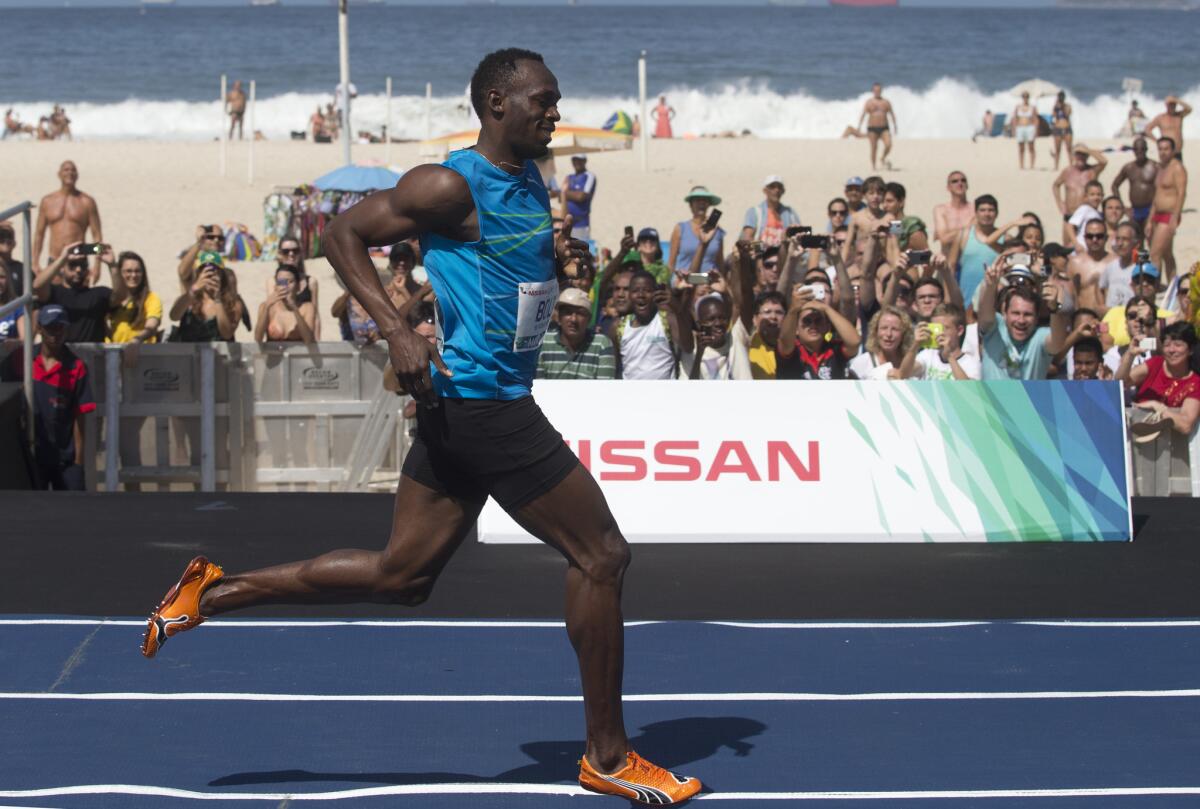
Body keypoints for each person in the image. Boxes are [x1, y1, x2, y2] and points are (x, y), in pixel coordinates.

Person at [139, 48, 701, 806]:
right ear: (496, 103)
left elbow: (496, 279)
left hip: (461, 403)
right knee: (602, 554)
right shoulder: (447, 183)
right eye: (542, 99)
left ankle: (209, 592)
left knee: (401, 576)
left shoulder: (529, 175)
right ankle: (607, 753)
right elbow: (340, 236)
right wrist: (396, 329)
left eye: (557, 99)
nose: (554, 111)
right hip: (484, 404)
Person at [0, 305, 95, 490]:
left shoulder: (77, 366)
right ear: (40, 329)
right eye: (50, 327)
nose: (55, 333)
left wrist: (78, 461)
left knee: (74, 512)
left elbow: (81, 417)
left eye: (60, 327)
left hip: (65, 458)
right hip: (31, 455)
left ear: (66, 330)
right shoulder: (22, 358)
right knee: (33, 512)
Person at [977, 256, 1069, 380]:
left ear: (1037, 318)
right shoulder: (995, 328)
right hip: (989, 400)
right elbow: (985, 314)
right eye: (1015, 313)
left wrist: (1054, 308)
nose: (1021, 320)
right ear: (1004, 312)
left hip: (1029, 400)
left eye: (1027, 314)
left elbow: (1057, 343)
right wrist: (990, 285)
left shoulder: (1040, 338)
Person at [32, 242, 127, 343]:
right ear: (62, 269)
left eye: (83, 265)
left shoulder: (98, 294)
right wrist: (62, 258)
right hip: (61, 356)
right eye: (72, 265)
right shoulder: (54, 292)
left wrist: (112, 264)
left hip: (92, 357)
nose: (78, 269)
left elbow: (120, 296)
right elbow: (37, 286)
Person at [1119, 321, 1200, 437]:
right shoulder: (1155, 364)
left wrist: (1158, 407)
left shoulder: (1196, 383)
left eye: (1178, 345)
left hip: (1170, 447)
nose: (1171, 350)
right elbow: (1120, 383)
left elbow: (1185, 425)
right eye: (1167, 345)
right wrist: (1130, 354)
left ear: (1191, 350)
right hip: (1134, 434)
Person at [32, 162, 103, 280]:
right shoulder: (47, 201)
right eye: (66, 170)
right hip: (55, 259)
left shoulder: (87, 202)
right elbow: (39, 234)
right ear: (59, 174)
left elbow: (97, 237)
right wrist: (35, 262)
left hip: (79, 260)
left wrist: (97, 265)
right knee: (54, 296)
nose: (70, 172)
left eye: (73, 170)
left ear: (77, 175)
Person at [776, 282, 860, 380]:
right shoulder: (792, 351)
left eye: (818, 320)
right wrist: (794, 309)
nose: (813, 325)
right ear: (796, 329)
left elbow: (854, 342)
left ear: (827, 326)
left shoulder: (835, 351)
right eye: (807, 321)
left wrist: (826, 308)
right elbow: (784, 341)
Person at [611, 270, 681, 380]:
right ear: (629, 295)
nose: (641, 295)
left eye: (648, 290)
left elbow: (688, 346)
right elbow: (613, 367)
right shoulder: (618, 326)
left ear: (656, 293)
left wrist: (676, 305)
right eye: (635, 291)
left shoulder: (667, 320)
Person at [537, 287, 615, 380]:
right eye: (568, 312)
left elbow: (605, 388)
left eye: (580, 313)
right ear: (559, 317)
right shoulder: (543, 342)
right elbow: (537, 386)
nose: (573, 319)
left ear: (589, 319)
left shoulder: (602, 344)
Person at [167, 254, 244, 342]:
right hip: (189, 353)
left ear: (222, 275)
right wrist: (194, 290)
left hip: (218, 354)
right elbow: (173, 316)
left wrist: (218, 299)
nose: (210, 275)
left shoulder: (233, 302)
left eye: (215, 270)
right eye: (205, 271)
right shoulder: (189, 299)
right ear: (198, 274)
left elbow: (227, 334)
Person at [947, 194, 1001, 310]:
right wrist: (948, 298)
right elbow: (950, 267)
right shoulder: (963, 235)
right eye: (982, 210)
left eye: (991, 210)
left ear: (996, 213)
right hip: (965, 302)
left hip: (995, 303)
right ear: (976, 213)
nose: (987, 214)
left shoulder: (1005, 239)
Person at [902, 303, 980, 381]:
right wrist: (915, 345)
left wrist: (949, 357)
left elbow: (968, 390)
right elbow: (904, 374)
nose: (939, 333)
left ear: (959, 330)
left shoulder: (971, 362)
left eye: (944, 328)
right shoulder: (928, 355)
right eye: (935, 328)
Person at [1148, 136, 1187, 285]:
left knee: (1155, 253)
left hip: (1169, 215)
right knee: (1166, 254)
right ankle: (1173, 285)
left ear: (1173, 150)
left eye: (1166, 149)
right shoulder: (1161, 168)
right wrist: (1150, 220)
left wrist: (1174, 218)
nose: (1163, 152)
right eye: (1160, 149)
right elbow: (1157, 196)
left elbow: (1181, 193)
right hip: (1157, 215)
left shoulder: (1177, 167)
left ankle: (1153, 286)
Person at [103, 249, 162, 345]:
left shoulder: (151, 298)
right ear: (120, 273)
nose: (133, 275)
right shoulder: (112, 299)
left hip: (142, 352)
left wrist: (136, 340)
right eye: (128, 271)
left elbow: (152, 325)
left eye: (137, 271)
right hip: (114, 352)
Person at [1053, 145, 1108, 244]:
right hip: (1069, 214)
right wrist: (1059, 203)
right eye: (1078, 154)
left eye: (1083, 155)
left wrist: (1088, 150)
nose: (1080, 157)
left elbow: (1104, 162)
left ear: (1087, 156)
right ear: (1073, 156)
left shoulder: (1092, 171)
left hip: (1086, 216)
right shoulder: (1067, 171)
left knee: (1087, 245)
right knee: (1067, 246)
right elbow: (1056, 185)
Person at [667, 186, 724, 276]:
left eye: (705, 200)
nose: (701, 203)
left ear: (709, 204)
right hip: (687, 280)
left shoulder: (717, 231)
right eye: (697, 200)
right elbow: (671, 262)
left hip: (710, 279)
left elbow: (720, 262)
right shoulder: (680, 228)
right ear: (690, 205)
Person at [254, 265, 317, 344]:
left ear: (298, 286)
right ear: (275, 286)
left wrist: (295, 309)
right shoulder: (266, 307)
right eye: (281, 282)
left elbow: (309, 340)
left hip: (298, 355)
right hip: (274, 355)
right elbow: (258, 338)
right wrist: (266, 307)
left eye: (290, 282)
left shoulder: (307, 308)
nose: (285, 286)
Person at [1110, 137, 1158, 239]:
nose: (1139, 152)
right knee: (1136, 241)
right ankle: (1141, 256)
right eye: (1136, 149)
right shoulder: (1129, 168)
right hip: (1134, 210)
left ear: (1146, 149)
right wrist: (1122, 206)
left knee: (1151, 239)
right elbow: (1115, 185)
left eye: (1142, 149)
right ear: (1133, 150)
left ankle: (1150, 255)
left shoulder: (1155, 166)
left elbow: (1162, 188)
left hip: (1150, 209)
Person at [850, 305, 912, 380]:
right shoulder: (861, 363)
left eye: (895, 329)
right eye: (884, 328)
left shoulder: (912, 364)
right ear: (876, 331)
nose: (889, 334)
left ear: (904, 334)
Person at [1069, 218, 1114, 313]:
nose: (1094, 240)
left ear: (1106, 238)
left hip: (1109, 318)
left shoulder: (1115, 262)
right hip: (1083, 318)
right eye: (1090, 236)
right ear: (1084, 238)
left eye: (1099, 236)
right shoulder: (1074, 263)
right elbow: (1072, 295)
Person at [741, 175, 801, 247]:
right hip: (760, 255)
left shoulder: (790, 214)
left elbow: (800, 238)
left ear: (783, 191)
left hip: (784, 255)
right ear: (765, 190)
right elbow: (748, 238)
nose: (776, 190)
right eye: (772, 187)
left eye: (779, 187)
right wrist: (761, 252)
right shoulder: (755, 212)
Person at [856, 82, 896, 170]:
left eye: (879, 90)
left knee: (889, 144)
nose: (877, 92)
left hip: (884, 128)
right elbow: (863, 114)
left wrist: (895, 126)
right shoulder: (869, 102)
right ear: (873, 91)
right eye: (875, 90)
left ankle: (882, 158)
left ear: (881, 91)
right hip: (872, 128)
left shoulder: (886, 102)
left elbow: (892, 114)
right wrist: (859, 126)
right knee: (874, 147)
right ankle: (873, 167)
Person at [1099, 223, 1139, 311]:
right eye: (1118, 239)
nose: (1120, 243)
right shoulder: (1110, 267)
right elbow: (1100, 287)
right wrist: (1102, 306)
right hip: (1112, 319)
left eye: (1125, 239)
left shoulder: (1140, 270)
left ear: (1136, 244)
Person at [932, 171, 973, 259]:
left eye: (963, 180)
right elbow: (944, 239)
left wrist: (952, 234)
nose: (960, 183)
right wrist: (969, 228)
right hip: (948, 261)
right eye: (955, 181)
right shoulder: (941, 210)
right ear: (948, 187)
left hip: (970, 258)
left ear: (967, 185)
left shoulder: (975, 209)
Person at [562, 154, 596, 244]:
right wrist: (569, 194)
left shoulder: (589, 176)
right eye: (574, 160)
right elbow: (559, 197)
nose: (577, 162)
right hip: (567, 222)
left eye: (579, 160)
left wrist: (565, 192)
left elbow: (581, 197)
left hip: (581, 223)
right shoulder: (569, 177)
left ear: (585, 161)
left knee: (580, 251)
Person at [1012, 91, 1039, 170]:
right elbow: (1015, 118)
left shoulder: (1032, 107)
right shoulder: (1018, 107)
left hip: (1029, 127)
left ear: (1028, 98)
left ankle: (1032, 165)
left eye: (1027, 96)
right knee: (1021, 147)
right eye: (1024, 96)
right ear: (1022, 98)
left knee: (1031, 147)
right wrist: (1014, 129)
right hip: (1020, 127)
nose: (1025, 98)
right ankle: (1021, 165)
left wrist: (1036, 130)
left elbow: (1036, 119)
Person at [0, 220, 25, 297]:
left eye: (9, 236)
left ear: (14, 243)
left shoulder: (22, 269)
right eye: (2, 235)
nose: (6, 239)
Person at [1050, 91, 1074, 170]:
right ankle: (1056, 166)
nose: (1061, 98)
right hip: (1058, 128)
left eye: (1062, 97)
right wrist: (1056, 107)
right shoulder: (1056, 106)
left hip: (1067, 128)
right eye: (1060, 97)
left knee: (1069, 148)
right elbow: (1053, 116)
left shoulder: (1067, 106)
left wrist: (1062, 107)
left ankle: (1071, 165)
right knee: (1057, 148)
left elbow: (1068, 114)